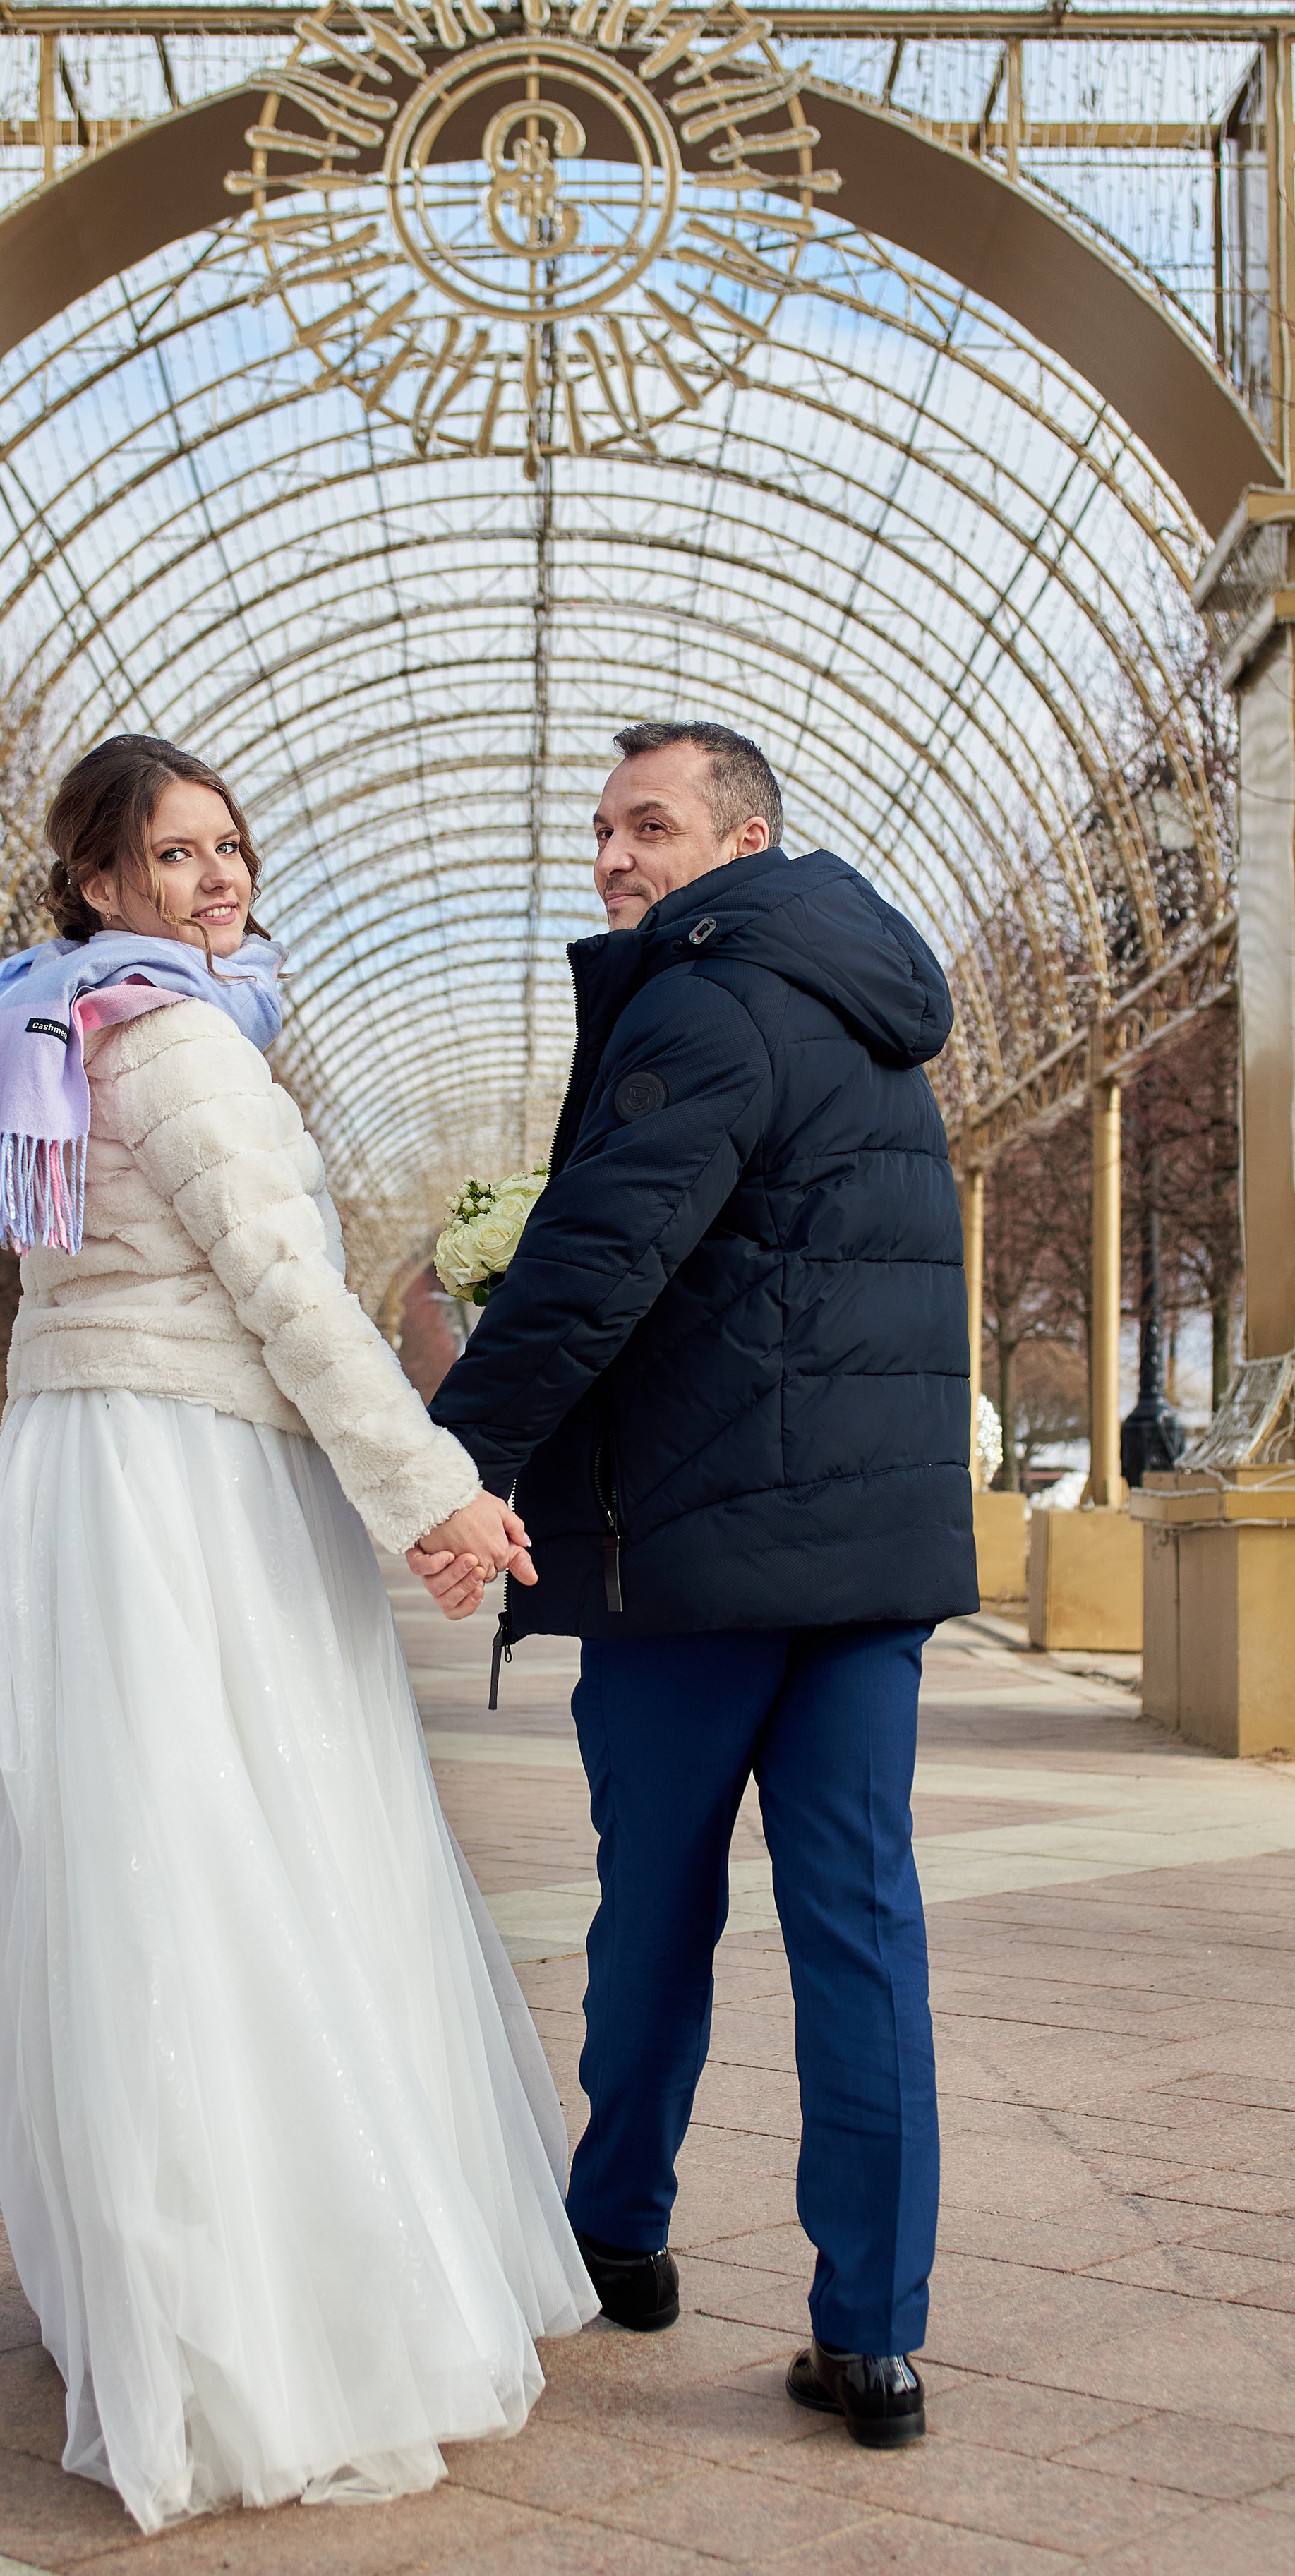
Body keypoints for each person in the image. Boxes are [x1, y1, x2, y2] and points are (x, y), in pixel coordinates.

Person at [0, 733, 595, 2534]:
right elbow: (290, 1299)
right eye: (174, 854)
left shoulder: (52, 1026)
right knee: (255, 1861)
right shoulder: (179, 1039)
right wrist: (435, 1492)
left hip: (83, 1469)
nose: (217, 879)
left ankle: (154, 2295)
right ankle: (279, 2327)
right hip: (189, 1482)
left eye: (229, 847)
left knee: (138, 1876)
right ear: (99, 882)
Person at [414, 721, 977, 2450]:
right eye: (599, 829)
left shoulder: (706, 997)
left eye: (646, 826)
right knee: (859, 1926)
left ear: (741, 843)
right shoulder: (869, 1015)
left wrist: (450, 1462)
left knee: (655, 1907)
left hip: (698, 1551)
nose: (612, 857)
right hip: (863, 1566)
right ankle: (871, 2337)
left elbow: (598, 1260)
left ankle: (620, 2228)